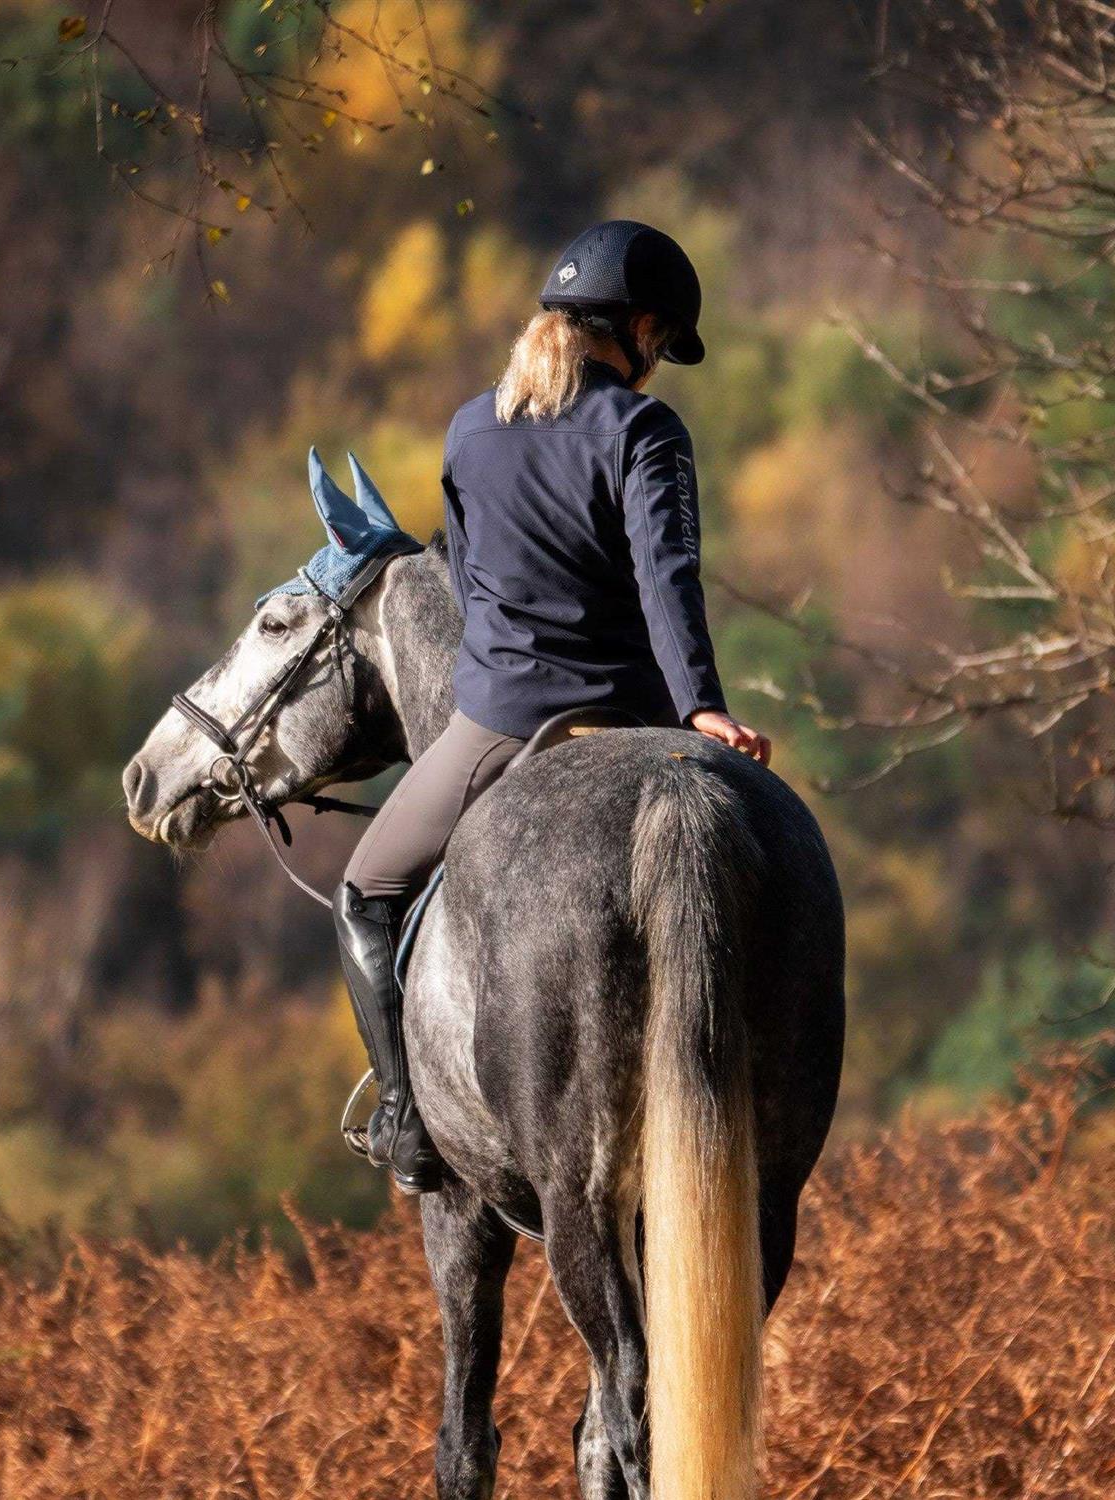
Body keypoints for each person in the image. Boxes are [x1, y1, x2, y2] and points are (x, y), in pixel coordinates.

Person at [334, 219, 771, 1194]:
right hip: (640, 717)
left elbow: (468, 578)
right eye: (663, 346)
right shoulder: (643, 430)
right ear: (641, 328)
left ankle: (407, 1120)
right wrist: (700, 708)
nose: (659, 366)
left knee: (365, 891)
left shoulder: (467, 429)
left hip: (498, 725)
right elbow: (671, 576)